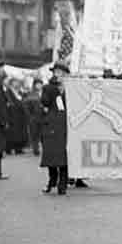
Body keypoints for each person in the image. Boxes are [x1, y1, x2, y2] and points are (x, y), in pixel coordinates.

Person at [40, 63, 70, 195]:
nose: (58, 74)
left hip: (66, 124)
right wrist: (55, 88)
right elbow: (45, 102)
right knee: (51, 155)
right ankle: (52, 180)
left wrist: (65, 88)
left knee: (64, 155)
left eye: (60, 72)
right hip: (52, 124)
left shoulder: (71, 87)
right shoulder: (48, 87)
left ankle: (62, 183)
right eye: (56, 72)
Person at [24, 81, 43, 156]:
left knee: (43, 134)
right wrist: (30, 116)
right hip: (34, 117)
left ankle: (44, 148)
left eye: (40, 84)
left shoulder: (44, 92)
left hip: (43, 117)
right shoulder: (31, 94)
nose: (39, 85)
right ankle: (36, 149)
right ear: (34, 85)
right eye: (37, 84)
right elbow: (26, 106)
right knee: (34, 134)